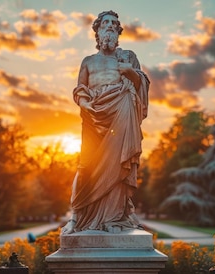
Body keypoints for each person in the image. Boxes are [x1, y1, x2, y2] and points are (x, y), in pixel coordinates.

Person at [62, 10, 150, 234]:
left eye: (114, 24)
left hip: (121, 114)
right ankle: (77, 216)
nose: (110, 26)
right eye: (106, 24)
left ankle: (114, 217)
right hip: (93, 116)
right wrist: (83, 102)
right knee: (86, 166)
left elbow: (142, 85)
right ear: (98, 31)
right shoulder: (88, 61)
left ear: (118, 32)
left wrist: (131, 73)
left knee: (117, 165)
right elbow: (80, 88)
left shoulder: (127, 57)